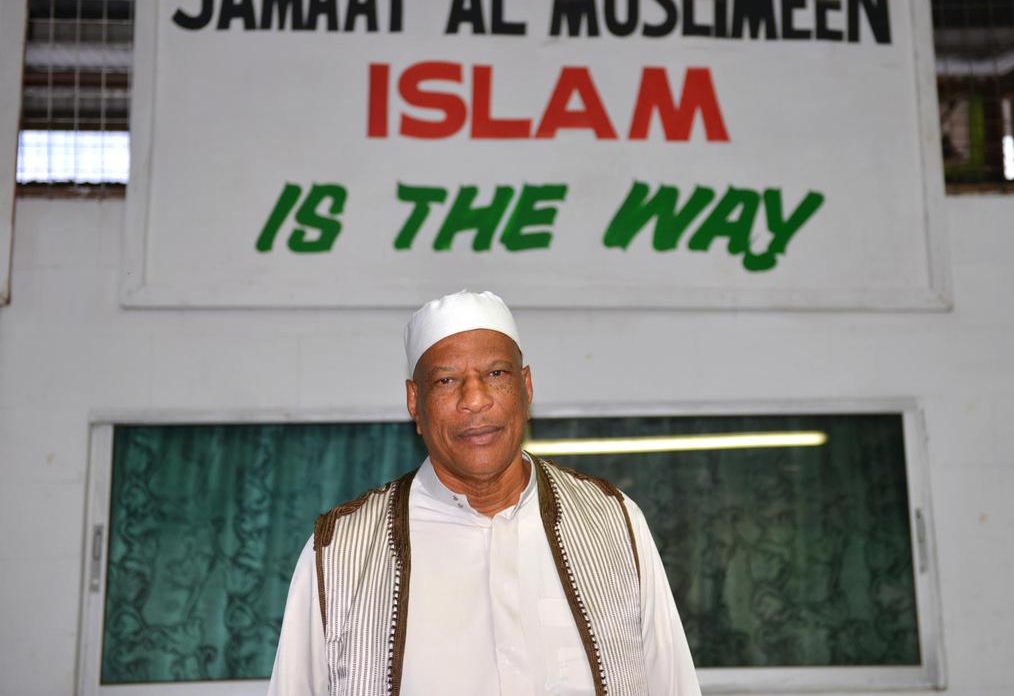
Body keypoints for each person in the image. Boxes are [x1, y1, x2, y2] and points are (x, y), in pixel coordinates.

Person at [268, 290, 701, 695]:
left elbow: (673, 683)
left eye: (495, 374)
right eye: (446, 381)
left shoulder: (611, 522)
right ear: (414, 403)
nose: (474, 400)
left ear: (526, 389)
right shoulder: (341, 551)